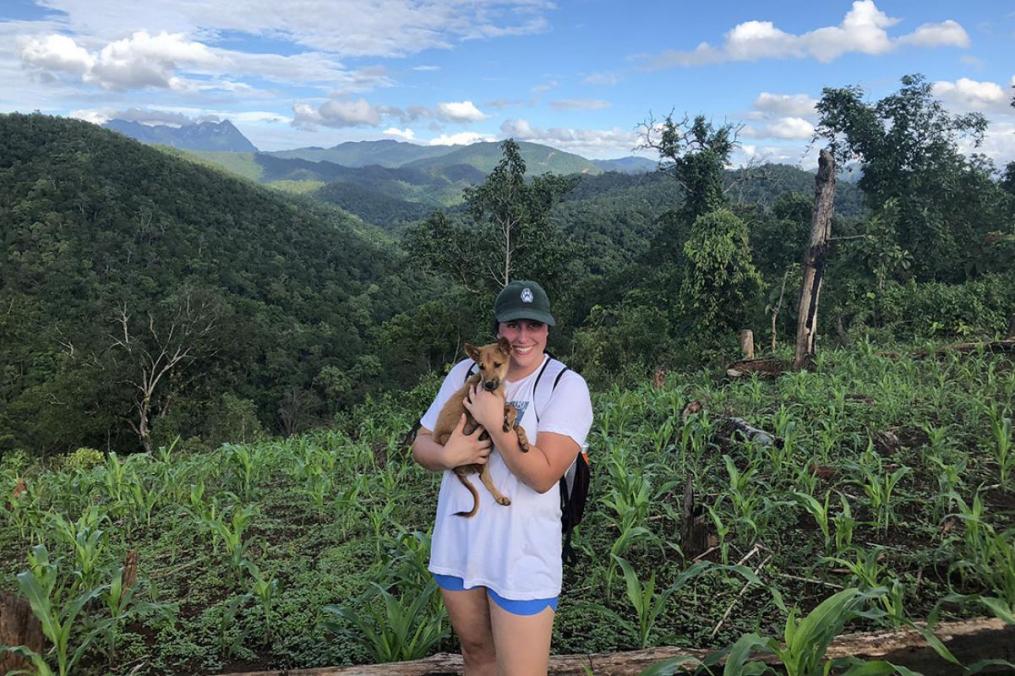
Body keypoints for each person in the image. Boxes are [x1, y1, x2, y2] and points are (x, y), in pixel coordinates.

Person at [411, 280, 593, 675]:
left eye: (534, 325)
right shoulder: (464, 372)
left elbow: (543, 476)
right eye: (513, 325)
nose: (523, 337)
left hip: (521, 557)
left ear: (547, 330)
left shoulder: (564, 385)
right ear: (499, 331)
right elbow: (421, 444)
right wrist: (447, 455)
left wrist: (496, 424)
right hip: (459, 548)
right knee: (478, 660)